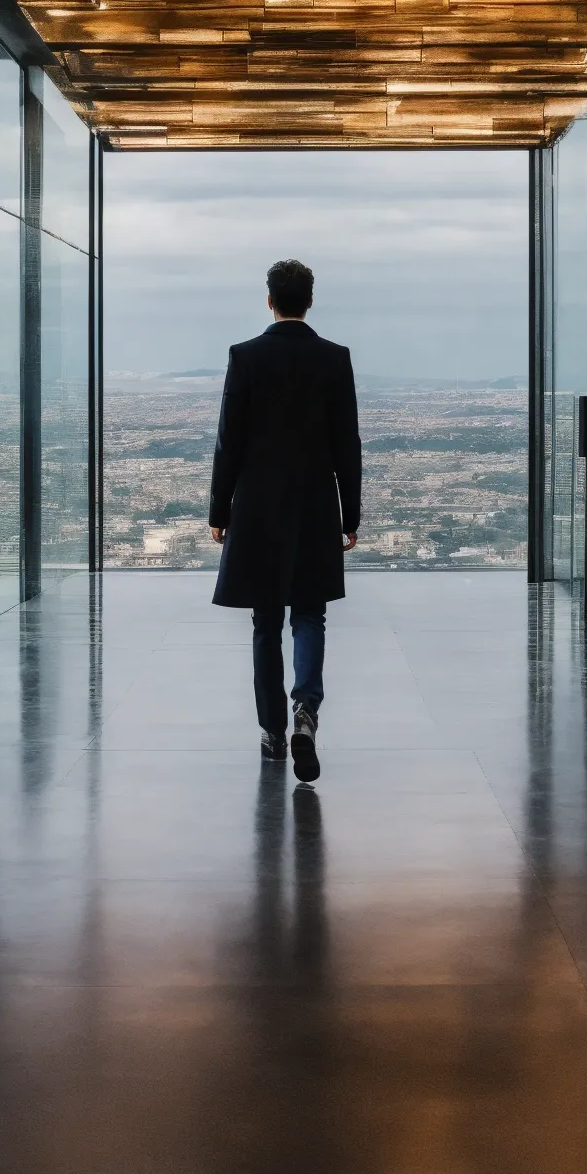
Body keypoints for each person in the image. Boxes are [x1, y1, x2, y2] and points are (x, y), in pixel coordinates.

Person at [208, 258, 361, 783]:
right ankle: (306, 711)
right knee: (309, 615)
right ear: (310, 301)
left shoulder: (244, 357)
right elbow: (348, 444)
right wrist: (351, 513)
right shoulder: (334, 359)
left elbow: (230, 439)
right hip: (316, 504)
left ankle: (273, 731)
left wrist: (218, 509)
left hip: (256, 506)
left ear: (269, 300)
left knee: (265, 620)